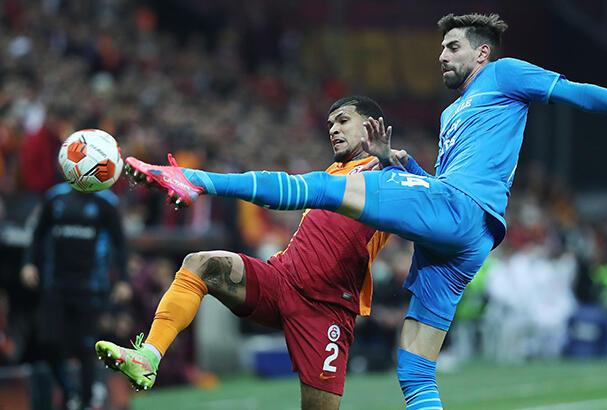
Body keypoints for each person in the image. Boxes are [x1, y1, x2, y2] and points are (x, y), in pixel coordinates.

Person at [123, 13, 607, 409]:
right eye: (441, 48)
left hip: (463, 212)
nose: (442, 55)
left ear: (482, 52)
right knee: (415, 371)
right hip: (460, 237)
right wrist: (402, 164)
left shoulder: (505, 74)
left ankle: (195, 180)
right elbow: (439, 184)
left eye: (453, 47)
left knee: (321, 188)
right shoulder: (453, 115)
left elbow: (581, 93)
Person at [96, 96, 390, 410]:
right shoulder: (332, 173)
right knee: (199, 264)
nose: (333, 129)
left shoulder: (390, 178)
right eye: (330, 124)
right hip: (281, 281)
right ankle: (148, 356)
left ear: (371, 126)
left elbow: (425, 193)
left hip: (327, 309)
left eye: (343, 121)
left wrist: (387, 160)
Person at [21, 183, 130, 410]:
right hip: (55, 286)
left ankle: (87, 400)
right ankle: (70, 391)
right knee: (48, 342)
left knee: (86, 348)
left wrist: (123, 279)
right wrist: (29, 263)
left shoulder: (105, 202)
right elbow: (38, 234)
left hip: (90, 287)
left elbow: (120, 243)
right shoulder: (55, 197)